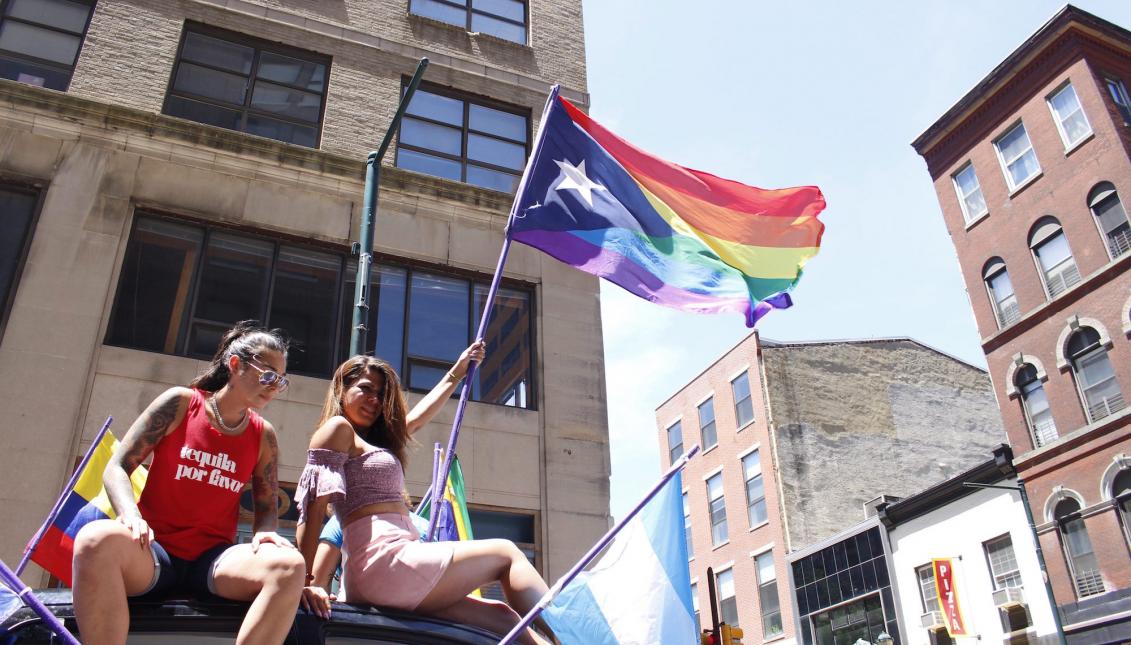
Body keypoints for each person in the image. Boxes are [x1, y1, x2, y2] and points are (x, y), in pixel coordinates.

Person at [296, 343, 554, 645]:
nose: (375, 400)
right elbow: (312, 508)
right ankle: (572, 636)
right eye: (365, 388)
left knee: (503, 619)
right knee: (506, 553)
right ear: (341, 388)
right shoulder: (337, 429)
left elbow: (416, 419)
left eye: (381, 394)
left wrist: (458, 371)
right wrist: (303, 582)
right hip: (383, 562)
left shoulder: (374, 443)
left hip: (393, 566)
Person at [72, 321, 307, 645]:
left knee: (290, 565)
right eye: (267, 374)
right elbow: (117, 468)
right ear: (235, 365)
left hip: (213, 563)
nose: (273, 385)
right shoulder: (181, 403)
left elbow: (267, 503)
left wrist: (266, 531)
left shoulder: (263, 434)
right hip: (153, 553)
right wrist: (130, 515)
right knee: (93, 540)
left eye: (280, 381)